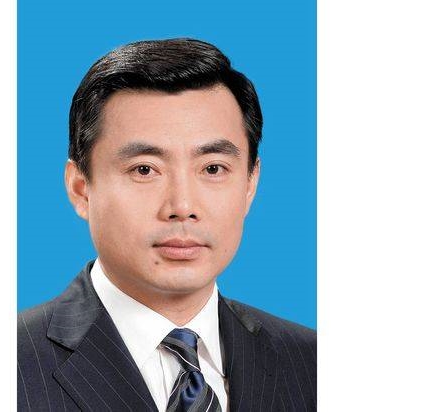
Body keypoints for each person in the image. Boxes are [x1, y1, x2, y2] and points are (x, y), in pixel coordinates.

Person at [18, 38, 316, 412]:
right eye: (145, 170)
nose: (183, 207)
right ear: (81, 189)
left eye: (213, 168)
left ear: (250, 184)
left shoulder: (314, 364)